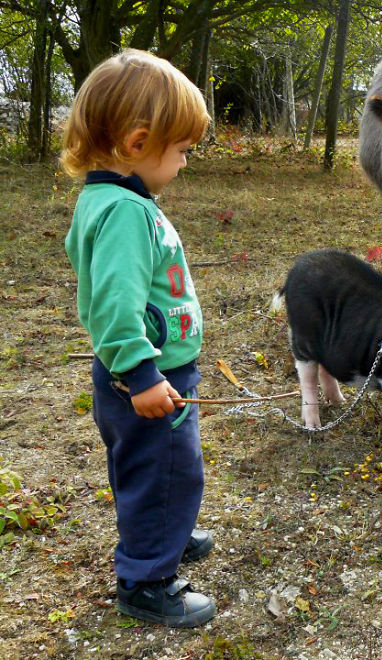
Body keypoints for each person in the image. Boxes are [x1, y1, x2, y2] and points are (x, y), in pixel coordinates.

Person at [62, 49, 216, 628]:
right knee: (165, 469)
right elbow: (113, 308)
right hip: (149, 378)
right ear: (137, 142)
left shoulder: (110, 201)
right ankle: (148, 581)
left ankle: (165, 529)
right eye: (181, 152)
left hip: (143, 374)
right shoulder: (125, 213)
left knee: (153, 470)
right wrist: (144, 376)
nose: (183, 164)